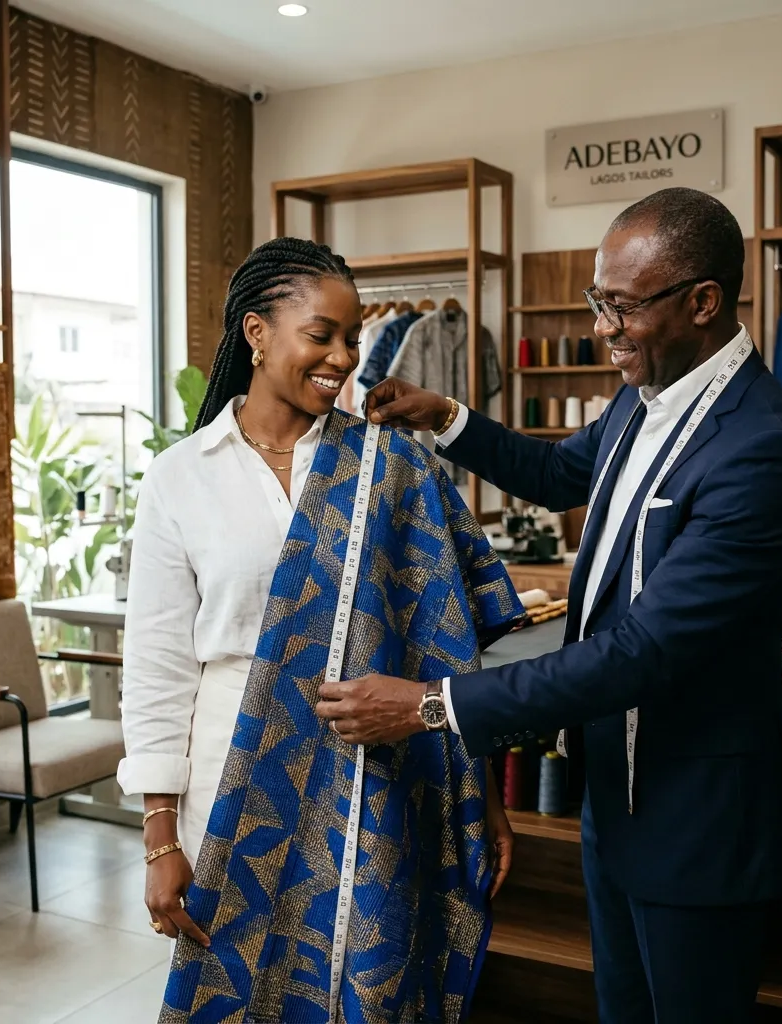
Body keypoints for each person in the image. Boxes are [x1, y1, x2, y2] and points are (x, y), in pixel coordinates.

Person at [315, 188, 782, 1023]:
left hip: (695, 820)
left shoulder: (761, 448)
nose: (602, 327)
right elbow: (557, 475)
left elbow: (646, 652)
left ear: (702, 302)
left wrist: (429, 706)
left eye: (622, 306)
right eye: (598, 300)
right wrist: (445, 416)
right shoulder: (642, 395)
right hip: (612, 802)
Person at [117, 237, 521, 1024]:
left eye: (352, 337)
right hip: (236, 780)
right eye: (322, 334)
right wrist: (160, 838)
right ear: (257, 332)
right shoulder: (182, 476)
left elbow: (444, 641)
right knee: (244, 990)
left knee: (368, 984)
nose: (343, 357)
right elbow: (158, 667)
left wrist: (479, 794)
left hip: (377, 776)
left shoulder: (389, 465)